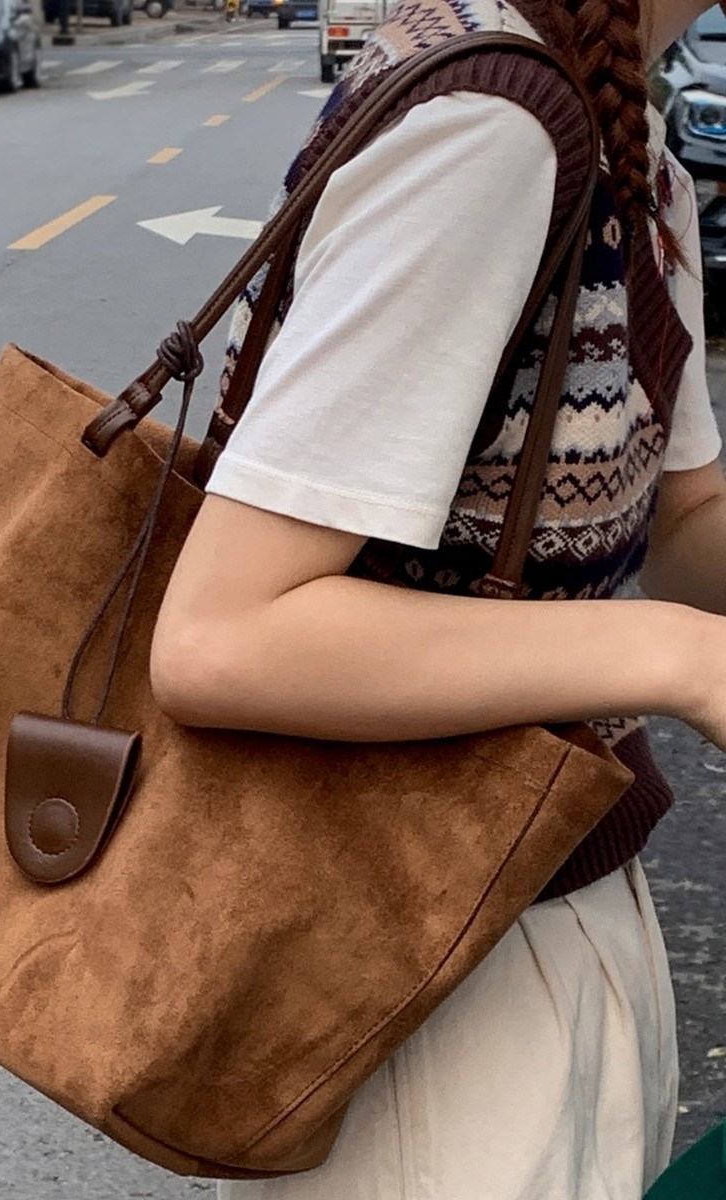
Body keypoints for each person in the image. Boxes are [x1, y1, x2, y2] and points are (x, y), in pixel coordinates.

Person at [149, 0, 726, 1195]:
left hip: (535, 904)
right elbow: (224, 635)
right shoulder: (496, 127)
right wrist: (677, 658)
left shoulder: (629, 139)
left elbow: (684, 526)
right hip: (423, 972)